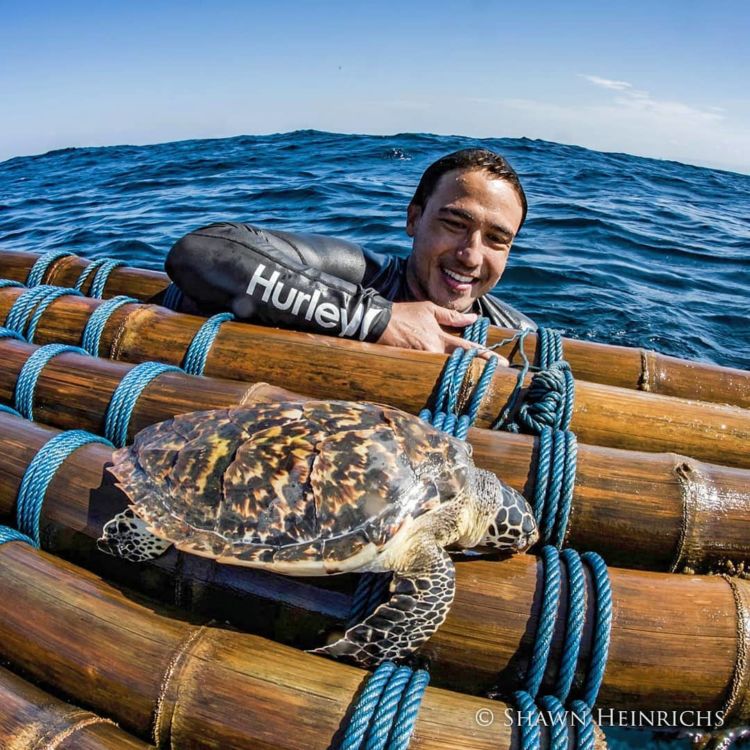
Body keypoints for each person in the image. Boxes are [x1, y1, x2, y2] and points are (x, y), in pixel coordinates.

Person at [165, 148, 534, 360]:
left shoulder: (520, 334)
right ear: (414, 218)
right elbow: (202, 252)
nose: (471, 256)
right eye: (454, 224)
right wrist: (379, 319)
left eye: (497, 239)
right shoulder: (362, 274)